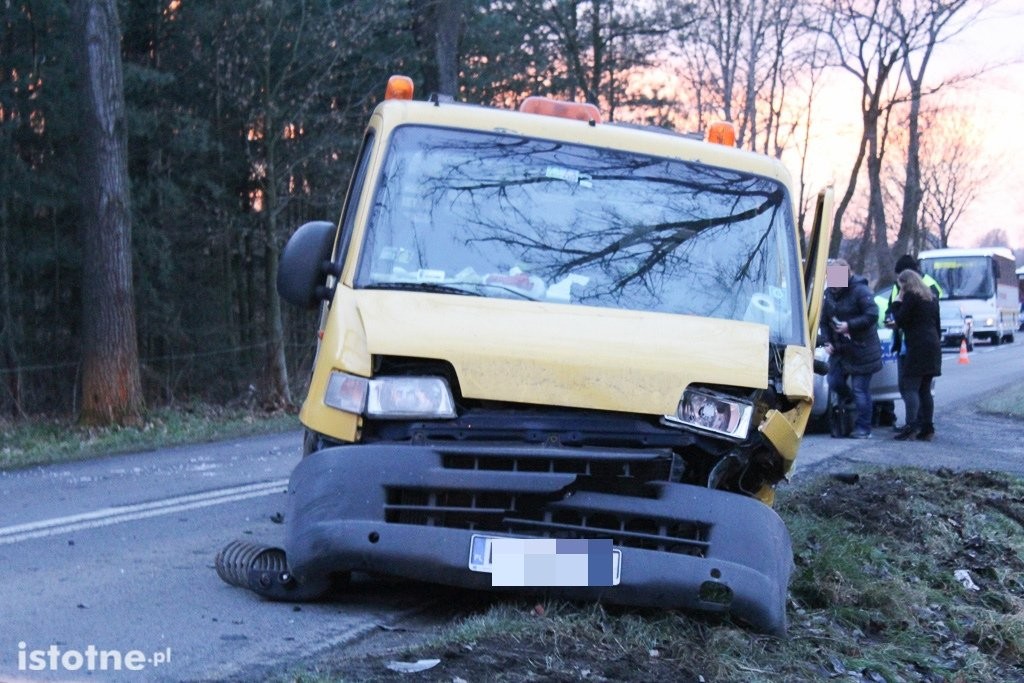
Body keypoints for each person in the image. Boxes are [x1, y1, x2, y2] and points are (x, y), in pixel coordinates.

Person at [822, 259, 883, 439]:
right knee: (834, 382)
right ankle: (849, 408)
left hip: (862, 349)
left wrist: (850, 326)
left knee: (860, 389)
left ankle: (863, 428)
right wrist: (827, 341)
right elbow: (824, 321)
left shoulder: (860, 291)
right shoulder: (829, 294)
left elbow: (872, 315)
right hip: (840, 350)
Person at [889, 269, 942, 441]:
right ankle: (927, 428)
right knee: (925, 389)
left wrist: (897, 302)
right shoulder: (931, 297)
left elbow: (900, 319)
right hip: (932, 345)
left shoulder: (911, 296)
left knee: (910, 386)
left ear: (905, 284)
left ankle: (910, 426)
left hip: (917, 346)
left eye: (900, 286)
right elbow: (937, 324)